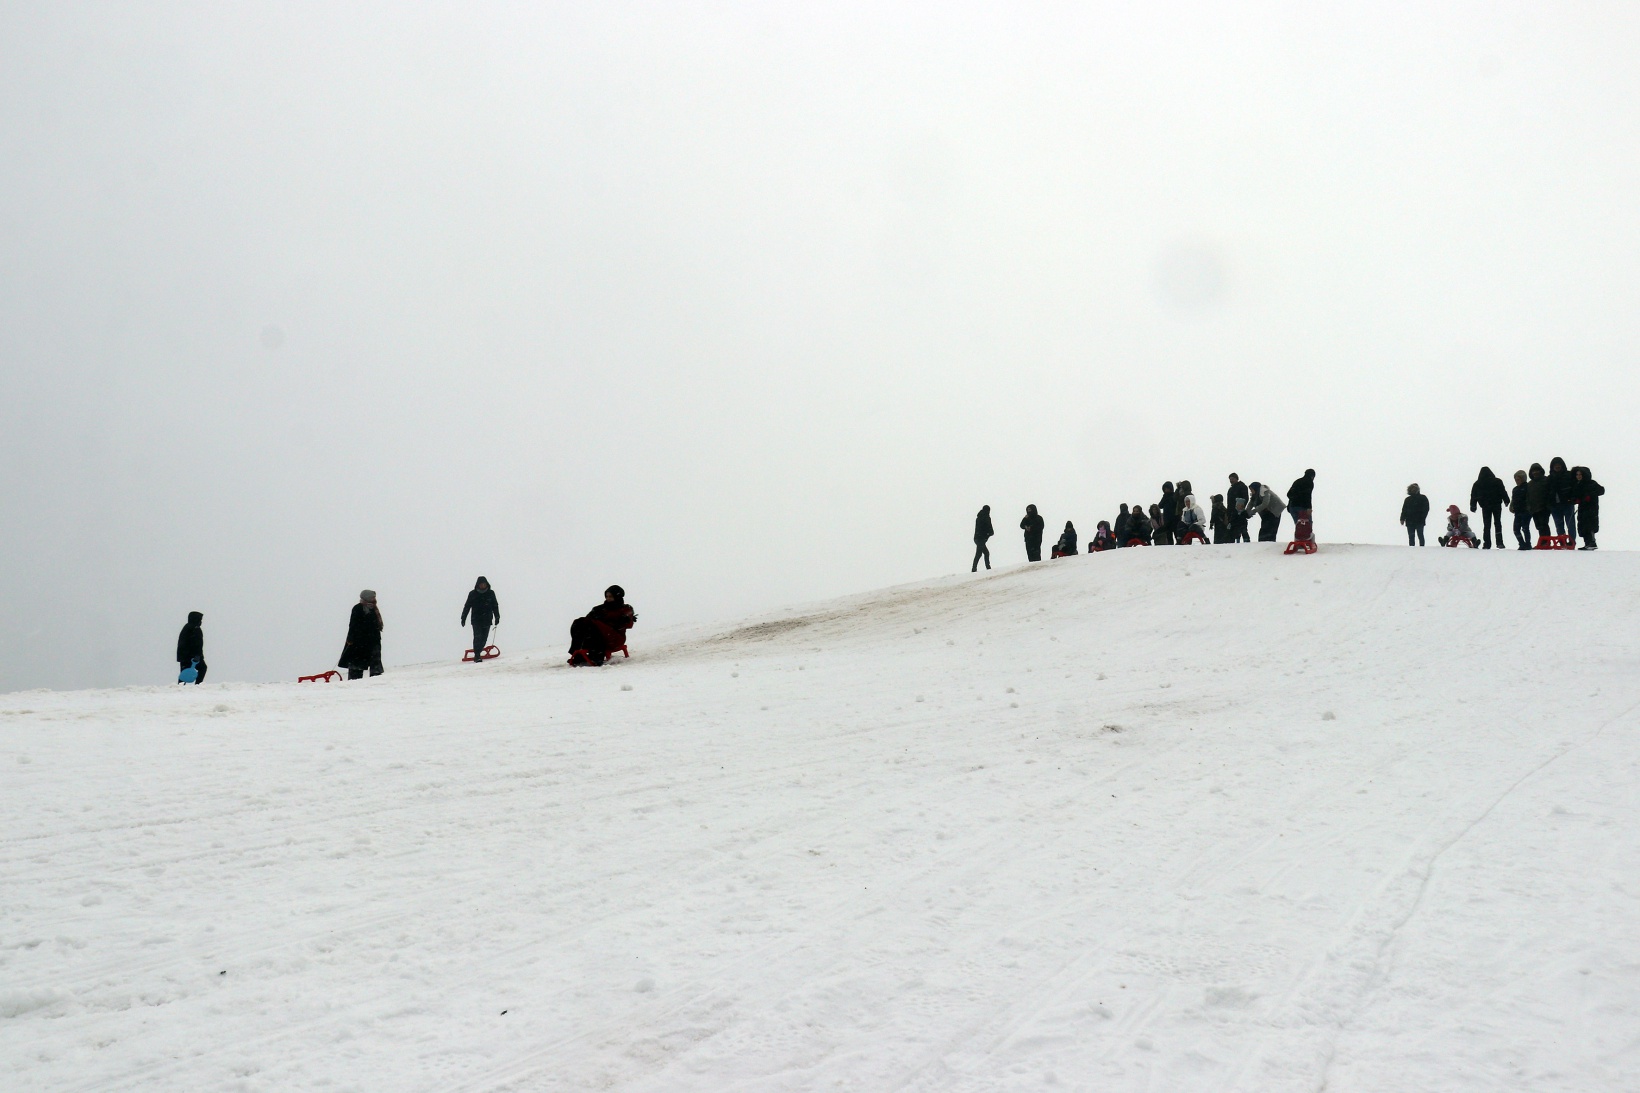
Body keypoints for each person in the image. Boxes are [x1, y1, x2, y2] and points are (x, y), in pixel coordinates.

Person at [568, 585, 637, 666]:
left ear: (617, 596)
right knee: (578, 622)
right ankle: (578, 653)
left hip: (615, 638)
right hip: (600, 636)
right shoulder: (600, 608)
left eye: (610, 596)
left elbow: (629, 625)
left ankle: (597, 656)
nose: (608, 598)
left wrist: (623, 620)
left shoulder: (625, 609)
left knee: (593, 625)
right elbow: (587, 620)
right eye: (607, 596)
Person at [339, 590, 384, 680]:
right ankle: (354, 682)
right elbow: (353, 625)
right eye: (372, 597)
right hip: (359, 642)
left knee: (375, 663)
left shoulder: (374, 609)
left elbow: (376, 625)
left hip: (373, 641)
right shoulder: (358, 608)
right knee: (357, 663)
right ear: (366, 597)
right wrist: (350, 638)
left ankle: (376, 680)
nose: (374, 599)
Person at [460, 576, 501, 661]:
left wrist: (497, 616)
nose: (482, 585)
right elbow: (467, 606)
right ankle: (477, 655)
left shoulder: (491, 593)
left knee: (484, 638)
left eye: (484, 584)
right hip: (476, 620)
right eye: (481, 584)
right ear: (477, 585)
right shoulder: (472, 594)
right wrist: (463, 618)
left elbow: (495, 606)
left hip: (487, 619)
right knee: (477, 637)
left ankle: (479, 650)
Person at [1469, 467, 1508, 549]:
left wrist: (1473, 506)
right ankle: (1499, 542)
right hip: (1496, 505)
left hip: (1485, 506)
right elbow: (1503, 491)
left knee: (1487, 525)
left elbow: (1473, 496)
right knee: (1497, 523)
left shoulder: (1477, 484)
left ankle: (1487, 543)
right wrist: (1506, 500)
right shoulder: (1497, 481)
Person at [1572, 466, 1604, 550]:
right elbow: (1576, 495)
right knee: (1582, 524)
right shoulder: (1578, 484)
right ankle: (1587, 543)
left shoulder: (1591, 483)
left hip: (1591, 508)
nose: (1578, 476)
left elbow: (1601, 490)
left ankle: (1592, 542)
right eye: (1577, 474)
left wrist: (1590, 495)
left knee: (1590, 524)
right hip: (1582, 508)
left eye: (1580, 474)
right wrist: (1576, 500)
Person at [1548, 457, 1577, 541]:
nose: (1557, 467)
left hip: (1567, 504)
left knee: (1570, 524)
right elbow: (1546, 491)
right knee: (1559, 525)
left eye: (1559, 465)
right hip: (1554, 505)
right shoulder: (1550, 478)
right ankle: (1562, 542)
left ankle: (1571, 542)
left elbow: (1574, 488)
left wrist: (1572, 498)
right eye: (1555, 465)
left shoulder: (1569, 475)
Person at [176, 611, 206, 684]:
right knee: (202, 668)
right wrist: (198, 655)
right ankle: (198, 684)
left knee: (184, 672)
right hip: (192, 656)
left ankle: (179, 689)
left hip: (184, 656)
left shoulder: (187, 627)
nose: (201, 621)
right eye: (200, 619)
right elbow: (196, 644)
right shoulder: (194, 629)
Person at [1287, 469, 1317, 541]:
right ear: (1312, 476)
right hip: (1303, 507)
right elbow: (1308, 496)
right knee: (1307, 524)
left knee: (1298, 525)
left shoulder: (1297, 481)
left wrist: (1291, 503)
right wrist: (1309, 508)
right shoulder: (1309, 482)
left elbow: (1289, 494)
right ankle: (1308, 541)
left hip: (1292, 507)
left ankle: (1298, 540)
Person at [1525, 462, 1552, 541]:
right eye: (1533, 471)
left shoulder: (1546, 480)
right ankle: (1543, 541)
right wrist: (1529, 506)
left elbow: (1550, 492)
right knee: (1538, 526)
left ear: (1541, 471)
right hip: (1534, 508)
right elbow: (1527, 496)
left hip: (1544, 508)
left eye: (1537, 471)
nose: (1535, 473)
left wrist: (1548, 505)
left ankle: (1546, 542)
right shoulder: (1530, 484)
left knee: (1544, 525)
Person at [1509, 470, 1532, 549]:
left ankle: (1528, 544)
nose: (1516, 481)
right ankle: (1522, 543)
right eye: (1515, 480)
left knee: (1525, 528)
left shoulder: (1528, 487)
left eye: (1518, 479)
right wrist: (1511, 506)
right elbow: (1513, 499)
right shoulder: (1515, 489)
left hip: (1526, 511)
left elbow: (1530, 498)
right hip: (1517, 512)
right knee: (1516, 529)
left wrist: (1529, 507)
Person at [972, 505, 994, 572]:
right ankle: (975, 569)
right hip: (981, 538)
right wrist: (988, 534)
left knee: (984, 553)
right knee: (979, 553)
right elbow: (987, 527)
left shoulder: (979, 517)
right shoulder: (985, 517)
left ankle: (977, 568)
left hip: (978, 538)